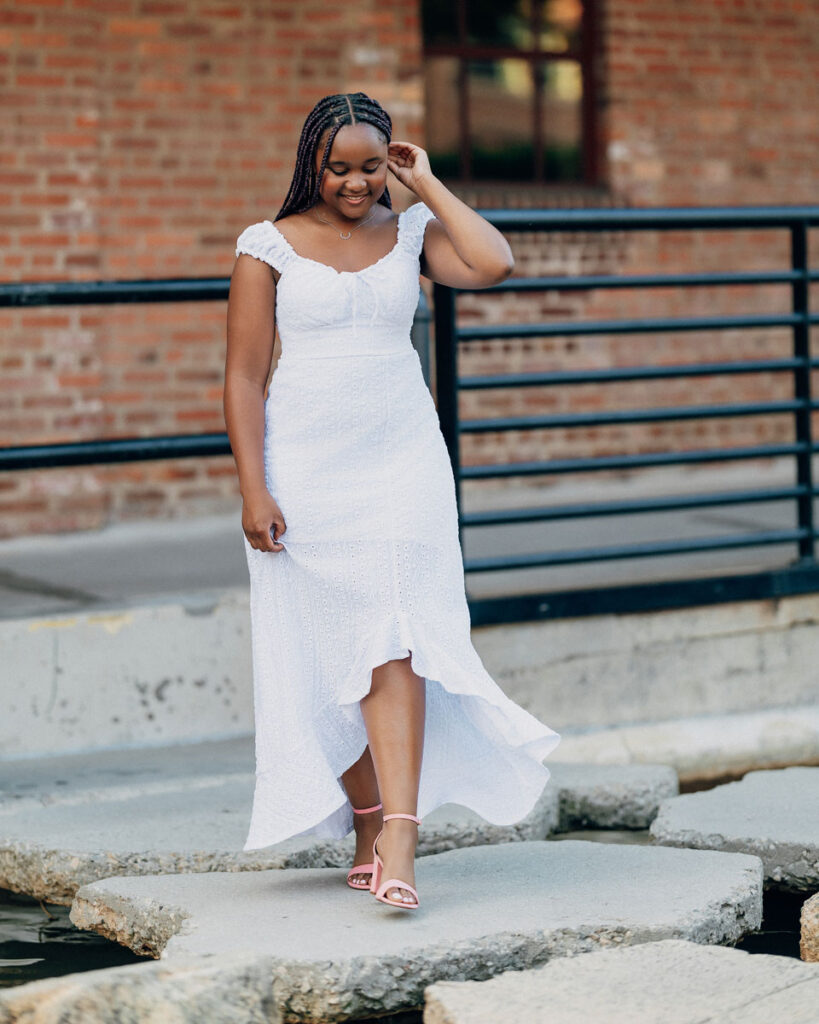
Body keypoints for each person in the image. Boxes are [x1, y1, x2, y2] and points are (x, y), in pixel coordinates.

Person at [224, 92, 561, 911]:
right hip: (304, 471)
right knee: (321, 649)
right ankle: (367, 818)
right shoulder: (265, 248)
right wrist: (253, 486)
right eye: (336, 167)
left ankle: (403, 833)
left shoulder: (408, 232)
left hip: (401, 461)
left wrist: (430, 185)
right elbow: (241, 375)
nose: (352, 182)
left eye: (369, 166)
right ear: (311, 162)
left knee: (400, 635)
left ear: (390, 162)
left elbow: (493, 264)